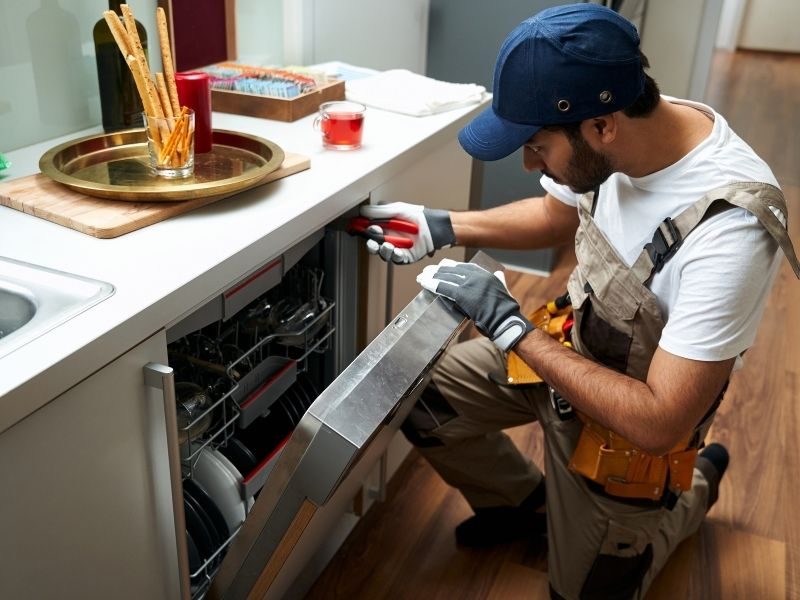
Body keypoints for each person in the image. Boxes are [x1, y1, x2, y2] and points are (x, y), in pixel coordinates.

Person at [354, 4, 799, 599]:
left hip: (631, 427)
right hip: (568, 349)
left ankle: (688, 498)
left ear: (603, 126)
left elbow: (661, 421)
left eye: (536, 145)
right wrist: (444, 224)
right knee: (412, 393)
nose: (528, 163)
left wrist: (512, 331)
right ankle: (527, 508)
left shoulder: (728, 230)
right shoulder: (617, 137)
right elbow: (553, 213)